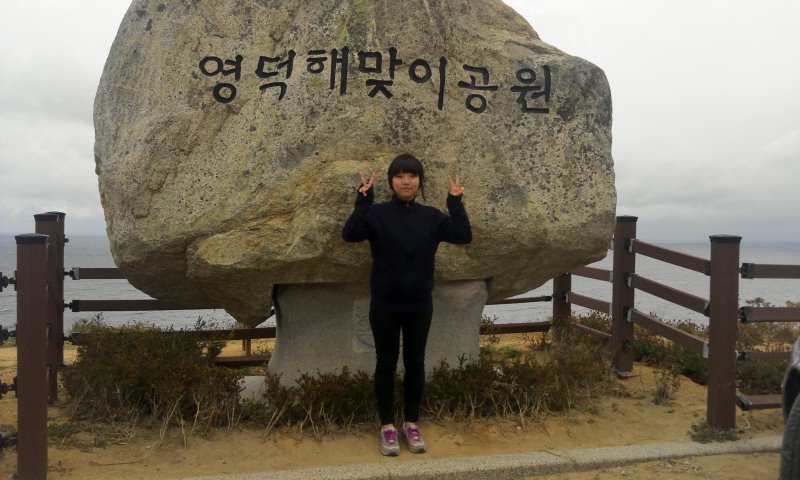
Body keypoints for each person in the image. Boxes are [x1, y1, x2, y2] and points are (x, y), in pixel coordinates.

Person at [342, 153, 472, 456]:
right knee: (386, 364)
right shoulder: (376, 214)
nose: (406, 181)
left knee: (416, 364)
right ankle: (387, 426)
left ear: (419, 181)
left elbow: (463, 235)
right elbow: (350, 234)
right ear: (391, 181)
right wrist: (363, 200)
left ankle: (411, 423)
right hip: (385, 303)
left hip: (419, 304)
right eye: (399, 176)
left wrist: (455, 203)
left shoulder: (431, 217)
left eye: (412, 176)